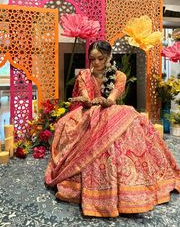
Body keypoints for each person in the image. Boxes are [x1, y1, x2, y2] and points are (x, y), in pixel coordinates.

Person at [45, 40, 180, 217]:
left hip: (109, 110)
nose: (97, 63)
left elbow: (112, 99)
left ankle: (127, 183)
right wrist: (85, 101)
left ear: (108, 57)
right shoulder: (85, 75)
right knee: (66, 122)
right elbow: (86, 97)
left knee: (132, 121)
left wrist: (104, 101)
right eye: (92, 59)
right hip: (87, 113)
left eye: (101, 58)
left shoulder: (119, 76)